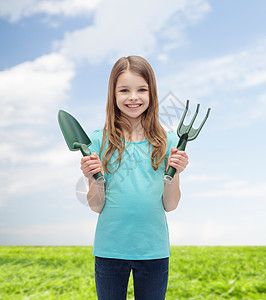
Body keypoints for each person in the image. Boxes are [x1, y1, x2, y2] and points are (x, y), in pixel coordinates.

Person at [80, 56, 188, 300]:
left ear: (152, 93)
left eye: (141, 89)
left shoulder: (169, 142)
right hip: (110, 250)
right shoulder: (98, 141)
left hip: (153, 251)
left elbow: (170, 205)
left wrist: (176, 172)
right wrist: (95, 178)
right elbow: (96, 205)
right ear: (113, 94)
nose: (133, 97)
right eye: (124, 90)